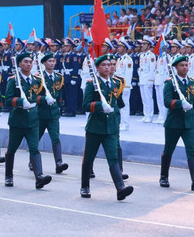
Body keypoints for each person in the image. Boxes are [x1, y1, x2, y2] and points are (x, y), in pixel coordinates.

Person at [80, 54, 134, 200]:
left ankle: (120, 188)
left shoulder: (116, 83)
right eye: (104, 65)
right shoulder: (92, 84)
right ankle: (85, 186)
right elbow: (85, 105)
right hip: (95, 127)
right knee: (89, 158)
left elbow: (118, 101)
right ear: (97, 68)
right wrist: (99, 106)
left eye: (110, 65)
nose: (107, 67)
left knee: (113, 157)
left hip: (111, 128)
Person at [4, 52, 51, 189]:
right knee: (11, 149)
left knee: (34, 149)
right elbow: (7, 100)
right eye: (25, 62)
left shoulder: (37, 80)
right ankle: (8, 176)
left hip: (33, 120)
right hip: (18, 120)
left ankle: (39, 177)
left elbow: (38, 96)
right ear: (19, 64)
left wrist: (45, 99)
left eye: (30, 62)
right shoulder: (14, 80)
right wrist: (19, 102)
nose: (28, 64)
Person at [159, 55, 194, 190]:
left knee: (192, 150)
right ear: (176, 68)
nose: (185, 67)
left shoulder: (192, 83)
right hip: (174, 122)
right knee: (169, 149)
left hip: (189, 122)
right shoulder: (170, 83)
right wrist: (180, 103)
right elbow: (167, 102)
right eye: (182, 65)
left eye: (186, 65)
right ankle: (164, 176)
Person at [36, 52, 68, 174]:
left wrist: (59, 106)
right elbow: (35, 96)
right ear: (44, 63)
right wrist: (44, 100)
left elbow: (59, 93)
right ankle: (33, 161)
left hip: (53, 113)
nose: (51, 63)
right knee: (36, 138)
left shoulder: (59, 77)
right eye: (49, 61)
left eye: (53, 61)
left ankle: (59, 163)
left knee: (55, 138)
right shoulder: (39, 77)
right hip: (41, 113)